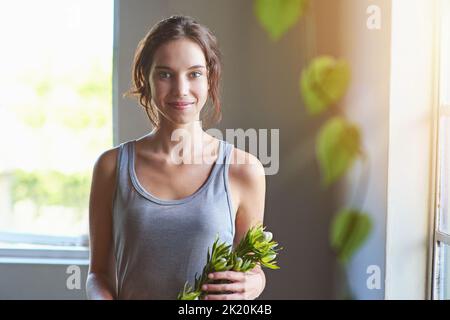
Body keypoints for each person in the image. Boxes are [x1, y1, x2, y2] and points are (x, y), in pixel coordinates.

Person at [86, 15, 266, 300]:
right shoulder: (111, 167)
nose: (181, 89)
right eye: (165, 74)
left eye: (194, 74)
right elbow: (98, 274)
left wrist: (255, 283)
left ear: (210, 79)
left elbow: (252, 268)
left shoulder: (244, 170)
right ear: (144, 78)